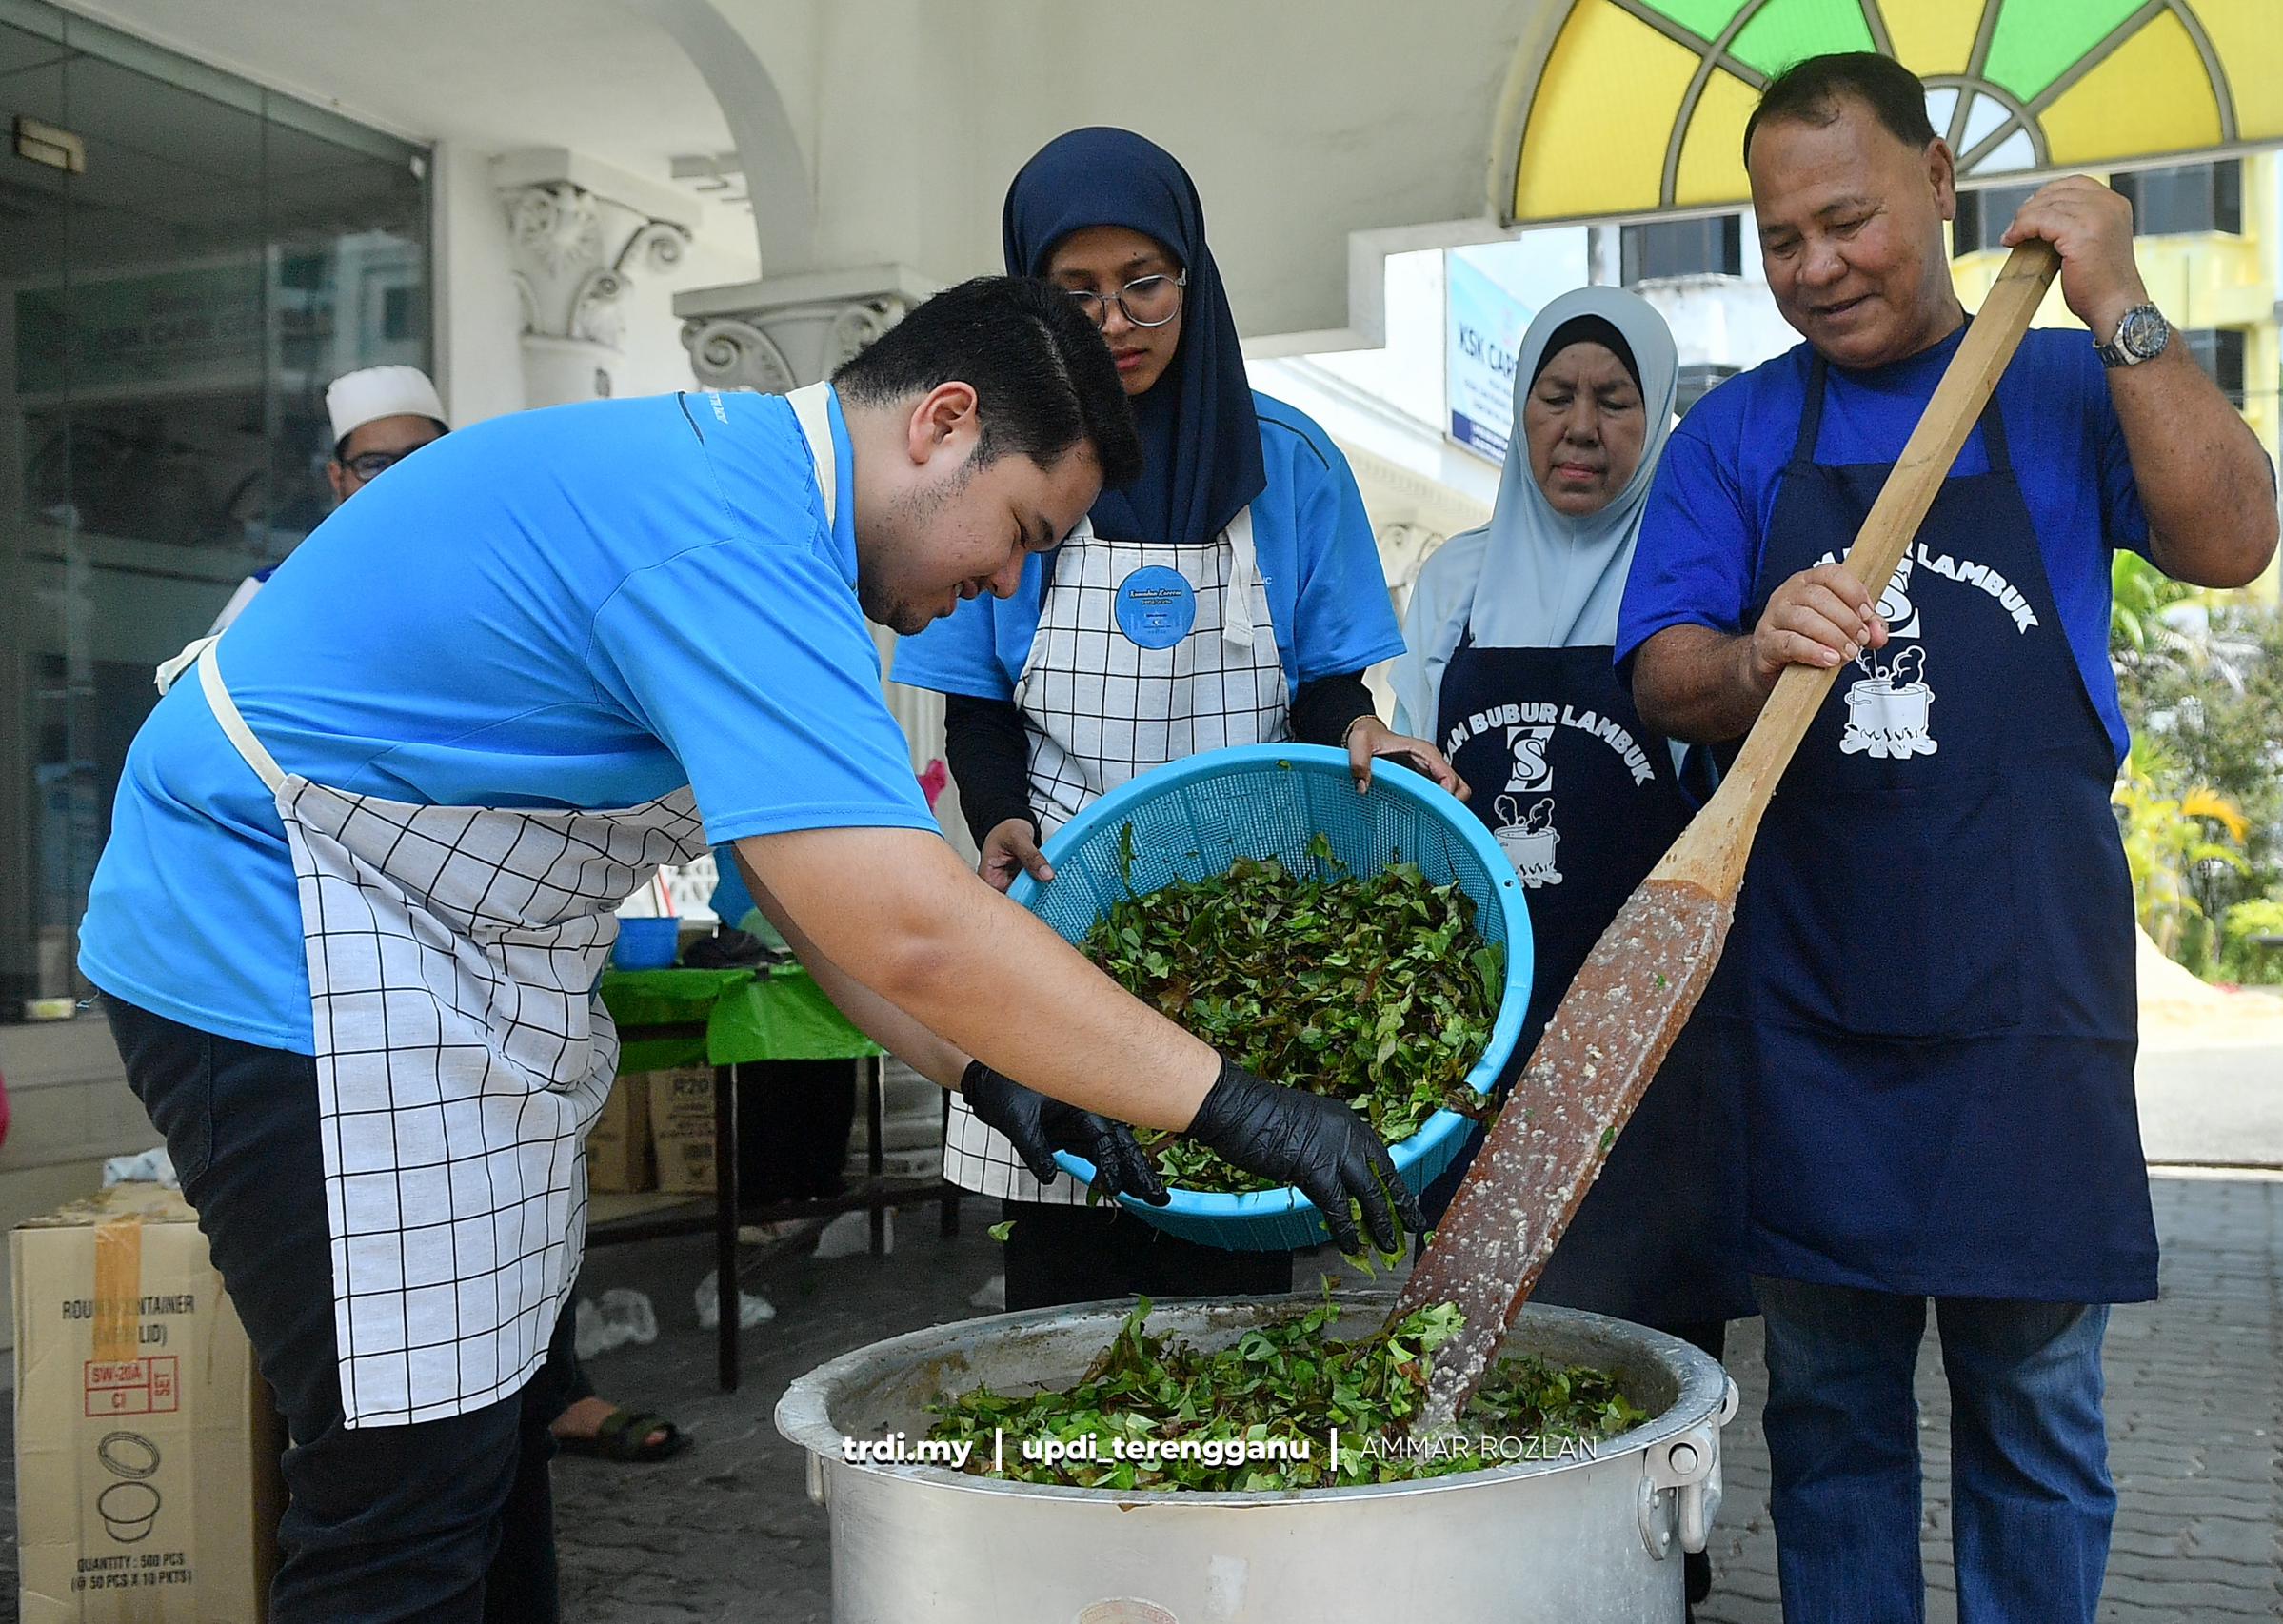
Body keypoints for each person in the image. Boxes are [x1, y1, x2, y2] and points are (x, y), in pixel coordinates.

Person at [80, 275, 1420, 1623]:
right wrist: (1234, 1102)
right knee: (397, 1492)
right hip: (277, 936)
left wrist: (993, 1078)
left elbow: (809, 893)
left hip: (417, 957)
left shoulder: (768, 511)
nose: (1005, 581)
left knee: (479, 1458)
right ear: (941, 424)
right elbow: (912, 919)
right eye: (1019, 531)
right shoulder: (731, 531)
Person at [1617, 53, 2278, 1624]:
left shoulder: (2061, 387)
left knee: (2038, 1413)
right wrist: (1754, 646)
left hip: (2021, 990)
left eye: (1846, 218)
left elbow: (2233, 536)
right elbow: (1661, 672)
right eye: (1781, 238)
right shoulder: (1737, 437)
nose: (1815, 265)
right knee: (1831, 1418)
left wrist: (2119, 298)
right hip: (1811, 994)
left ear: (1939, 187)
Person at [893, 128, 1461, 1311]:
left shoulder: (1291, 465)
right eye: (1076, 292)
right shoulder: (1005, 467)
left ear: (1193, 278)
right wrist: (996, 817)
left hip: (1250, 925)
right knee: (1066, 1276)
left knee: (1237, 1270)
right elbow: (975, 706)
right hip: (1060, 906)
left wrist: (1358, 725)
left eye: (1144, 284)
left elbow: (1324, 686)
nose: (1116, 323)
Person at [210, 364, 689, 1468]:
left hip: (494, 943)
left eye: (425, 455)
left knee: (530, 1167)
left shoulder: (484, 575)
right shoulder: (276, 602)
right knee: (398, 1235)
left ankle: (544, 1391)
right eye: (379, 462)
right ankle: (382, 1436)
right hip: (345, 958)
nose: (402, 480)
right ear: (338, 476)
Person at [1393, 286, 1752, 1612]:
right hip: (1485, 1034)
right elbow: (1422, 798)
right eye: (1559, 396)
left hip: (1650, 1035)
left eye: (1616, 401)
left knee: (1654, 1339)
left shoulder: (1692, 587)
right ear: (1520, 411)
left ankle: (1661, 1583)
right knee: (1485, 1327)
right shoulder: (1454, 581)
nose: (1583, 428)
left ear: (1656, 419)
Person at [207, 365, 449, 633]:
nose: (397, 479)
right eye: (373, 465)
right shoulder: (275, 594)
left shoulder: (496, 568)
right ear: (337, 479)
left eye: (420, 457)